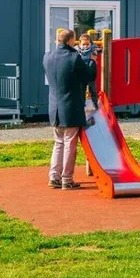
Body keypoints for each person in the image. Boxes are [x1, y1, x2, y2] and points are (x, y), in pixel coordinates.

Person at [44, 28, 97, 190]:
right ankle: (67, 179)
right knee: (69, 144)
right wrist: (92, 60)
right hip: (71, 107)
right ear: (70, 41)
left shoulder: (47, 57)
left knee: (58, 142)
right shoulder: (74, 58)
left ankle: (54, 176)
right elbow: (89, 76)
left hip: (54, 107)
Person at [75, 33, 101, 107]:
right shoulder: (77, 49)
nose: (85, 46)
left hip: (90, 72)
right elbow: (72, 50)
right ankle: (82, 104)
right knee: (82, 90)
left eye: (87, 44)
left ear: (90, 43)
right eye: (84, 44)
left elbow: (100, 49)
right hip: (82, 72)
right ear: (80, 44)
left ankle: (95, 104)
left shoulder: (92, 48)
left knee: (92, 89)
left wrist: (97, 51)